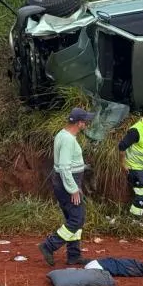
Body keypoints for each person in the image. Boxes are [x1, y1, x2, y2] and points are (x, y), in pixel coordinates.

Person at [39, 107, 95, 267]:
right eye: (85, 121)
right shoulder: (68, 140)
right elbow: (64, 167)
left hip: (66, 181)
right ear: (79, 123)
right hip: (68, 183)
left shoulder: (63, 135)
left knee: (73, 218)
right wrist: (73, 189)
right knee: (77, 219)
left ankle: (74, 255)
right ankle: (49, 245)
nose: (86, 123)